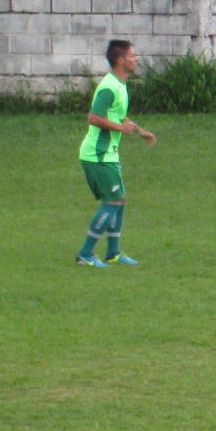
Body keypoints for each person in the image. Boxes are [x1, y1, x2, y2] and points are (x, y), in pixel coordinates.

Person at [75, 39, 155, 268]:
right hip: (97, 155)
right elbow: (93, 117)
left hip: (108, 153)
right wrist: (121, 129)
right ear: (120, 60)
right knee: (113, 201)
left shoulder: (120, 85)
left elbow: (118, 116)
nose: (136, 59)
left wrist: (141, 132)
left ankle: (113, 253)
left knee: (120, 201)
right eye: (132, 56)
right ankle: (85, 254)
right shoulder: (109, 87)